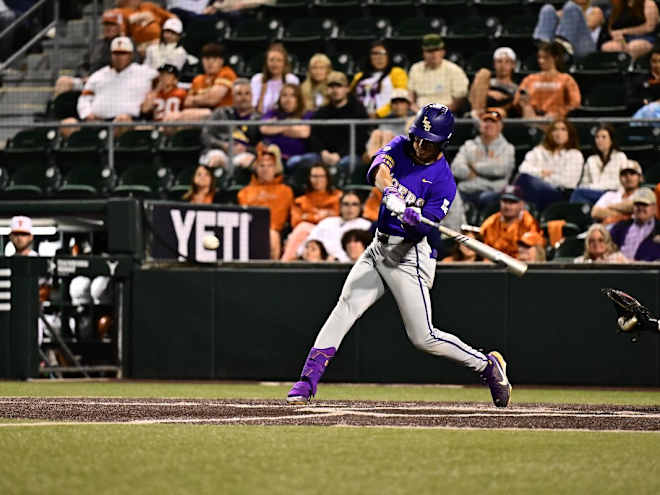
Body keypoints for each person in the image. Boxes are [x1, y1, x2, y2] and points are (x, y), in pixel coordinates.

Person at [286, 104, 512, 408]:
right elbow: (377, 169)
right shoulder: (402, 146)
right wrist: (391, 192)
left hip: (410, 256)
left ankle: (486, 365)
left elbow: (422, 229)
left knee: (424, 337)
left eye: (428, 142)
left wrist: (413, 217)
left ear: (442, 143)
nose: (420, 145)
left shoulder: (444, 180)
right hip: (378, 247)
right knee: (346, 306)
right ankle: (307, 381)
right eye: (418, 137)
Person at [288, 71, 370, 172]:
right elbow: (314, 137)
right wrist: (323, 152)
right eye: (331, 87)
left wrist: (339, 155)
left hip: (349, 155)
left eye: (339, 86)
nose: (335, 90)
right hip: (323, 156)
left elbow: (360, 138)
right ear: (327, 89)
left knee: (346, 163)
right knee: (294, 162)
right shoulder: (321, 112)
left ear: (347, 89)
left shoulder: (358, 110)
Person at [75, 37, 158, 124]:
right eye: (116, 53)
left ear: (131, 55)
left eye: (123, 53)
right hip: (99, 121)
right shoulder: (99, 75)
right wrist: (87, 113)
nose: (119, 57)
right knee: (68, 124)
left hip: (131, 121)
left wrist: (153, 94)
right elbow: (85, 97)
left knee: (122, 121)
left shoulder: (145, 72)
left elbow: (166, 81)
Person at [237, 143, 294, 259]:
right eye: (262, 166)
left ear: (275, 168)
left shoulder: (286, 191)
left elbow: (291, 217)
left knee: (272, 235)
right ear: (256, 168)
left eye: (270, 166)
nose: (266, 169)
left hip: (276, 232)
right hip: (250, 231)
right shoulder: (244, 192)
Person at [514, 118, 584, 212]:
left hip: (560, 194)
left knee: (526, 183)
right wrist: (541, 172)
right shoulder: (539, 151)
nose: (558, 133)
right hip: (536, 190)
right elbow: (523, 168)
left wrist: (543, 179)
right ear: (550, 133)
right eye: (555, 129)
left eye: (563, 129)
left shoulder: (575, 155)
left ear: (569, 134)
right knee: (523, 180)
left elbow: (569, 182)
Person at [54, 9, 127, 98]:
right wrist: (84, 77)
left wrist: (96, 78)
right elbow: (83, 65)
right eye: (105, 24)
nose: (108, 28)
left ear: (119, 27)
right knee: (63, 81)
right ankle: (54, 110)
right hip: (89, 81)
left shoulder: (125, 44)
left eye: (112, 24)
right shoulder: (98, 44)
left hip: (109, 83)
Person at [451, 108, 515, 207]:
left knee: (486, 198)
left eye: (493, 122)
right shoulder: (469, 145)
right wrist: (473, 172)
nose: (488, 125)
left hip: (493, 192)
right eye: (485, 121)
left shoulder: (507, 148)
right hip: (467, 190)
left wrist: (474, 167)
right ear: (480, 125)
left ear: (500, 126)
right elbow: (455, 168)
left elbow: (500, 169)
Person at [281, 164, 342, 261]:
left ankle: (285, 263)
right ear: (309, 178)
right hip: (307, 234)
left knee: (303, 228)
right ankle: (286, 262)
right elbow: (296, 221)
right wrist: (322, 215)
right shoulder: (300, 200)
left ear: (327, 178)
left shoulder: (338, 197)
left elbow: (338, 217)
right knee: (302, 228)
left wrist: (308, 216)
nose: (318, 180)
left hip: (331, 232)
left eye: (321, 176)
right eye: (314, 176)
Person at [166, 43, 237, 122]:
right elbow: (187, 102)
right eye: (207, 58)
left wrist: (195, 100)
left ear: (222, 61)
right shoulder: (198, 79)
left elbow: (213, 99)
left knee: (180, 117)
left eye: (214, 58)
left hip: (223, 116)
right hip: (201, 115)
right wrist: (205, 97)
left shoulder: (226, 73)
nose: (210, 62)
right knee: (171, 116)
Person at [200, 78, 262, 170]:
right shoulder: (221, 113)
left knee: (248, 161)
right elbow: (205, 136)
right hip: (219, 151)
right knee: (216, 159)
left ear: (252, 96)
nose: (243, 98)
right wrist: (224, 145)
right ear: (232, 96)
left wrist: (246, 149)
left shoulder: (259, 119)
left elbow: (262, 145)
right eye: (239, 94)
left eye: (247, 93)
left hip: (243, 154)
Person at [513, 42, 581, 120]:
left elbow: (575, 103)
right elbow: (517, 100)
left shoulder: (566, 79)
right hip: (531, 119)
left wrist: (560, 113)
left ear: (555, 58)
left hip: (556, 121)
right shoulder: (530, 79)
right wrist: (526, 107)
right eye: (539, 57)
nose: (541, 61)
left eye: (546, 58)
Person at [301, 191, 372, 262]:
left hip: (350, 265)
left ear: (360, 207)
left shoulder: (366, 225)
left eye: (354, 204)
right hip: (321, 263)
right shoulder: (327, 222)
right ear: (340, 206)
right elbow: (309, 242)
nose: (350, 208)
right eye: (346, 204)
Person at [407, 34, 469, 113]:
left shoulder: (454, 70)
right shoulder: (415, 69)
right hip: (419, 113)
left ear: (443, 52)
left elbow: (459, 101)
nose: (434, 54)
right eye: (429, 51)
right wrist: (419, 112)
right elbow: (411, 97)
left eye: (436, 50)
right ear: (423, 53)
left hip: (445, 113)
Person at [570, 124, 628, 205]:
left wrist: (594, 186)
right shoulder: (591, 160)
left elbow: (621, 182)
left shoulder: (620, 157)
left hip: (612, 194)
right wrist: (593, 187)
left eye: (603, 137)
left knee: (578, 193)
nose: (599, 140)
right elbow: (584, 183)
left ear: (611, 140)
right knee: (581, 197)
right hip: (594, 194)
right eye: (597, 137)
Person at [350, 40, 408, 118]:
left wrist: (378, 114)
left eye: (383, 53)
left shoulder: (397, 73)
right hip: (361, 120)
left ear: (388, 56)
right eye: (375, 54)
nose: (379, 58)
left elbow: (400, 98)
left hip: (387, 118)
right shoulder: (359, 77)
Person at [480, 184, 542, 258]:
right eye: (505, 201)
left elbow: (536, 252)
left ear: (522, 204)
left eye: (512, 202)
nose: (507, 206)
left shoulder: (529, 223)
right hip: (494, 264)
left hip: (519, 264)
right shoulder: (490, 222)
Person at [259, 84, 312, 164]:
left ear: (298, 99)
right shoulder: (272, 113)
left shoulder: (306, 114)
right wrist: (291, 124)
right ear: (280, 99)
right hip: (272, 158)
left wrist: (277, 125)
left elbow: (304, 133)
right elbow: (264, 129)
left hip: (297, 158)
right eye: (284, 95)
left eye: (292, 96)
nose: (288, 99)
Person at [533, 0, 605, 58]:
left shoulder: (595, 11)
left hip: (584, 47)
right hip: (558, 44)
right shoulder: (566, 11)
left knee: (571, 7)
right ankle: (542, 47)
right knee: (547, 9)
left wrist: (570, 16)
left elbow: (589, 25)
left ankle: (562, 48)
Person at [364, 89, 416, 163]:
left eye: (402, 102)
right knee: (377, 133)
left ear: (408, 104)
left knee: (388, 135)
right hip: (384, 156)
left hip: (406, 156)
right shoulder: (386, 120)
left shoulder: (414, 119)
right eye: (395, 102)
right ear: (391, 105)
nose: (398, 105)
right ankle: (378, 164)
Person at [610, 187, 660, 261]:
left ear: (654, 208)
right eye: (637, 204)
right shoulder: (620, 227)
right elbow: (608, 246)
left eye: (644, 204)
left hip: (649, 270)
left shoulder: (658, 229)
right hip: (620, 269)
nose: (640, 208)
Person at [468, 47, 519, 119]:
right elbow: (472, 95)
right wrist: (487, 92)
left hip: (499, 112)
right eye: (499, 61)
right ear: (494, 64)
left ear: (513, 65)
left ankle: (478, 117)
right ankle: (476, 114)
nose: (503, 65)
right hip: (480, 107)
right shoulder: (486, 81)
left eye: (507, 62)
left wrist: (504, 97)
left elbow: (514, 104)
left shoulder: (515, 87)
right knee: (483, 73)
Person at [251, 43, 300, 115]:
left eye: (279, 60)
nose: (275, 64)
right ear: (266, 62)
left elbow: (296, 107)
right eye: (271, 60)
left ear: (284, 63)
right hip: (262, 120)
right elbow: (254, 108)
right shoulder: (257, 79)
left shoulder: (292, 80)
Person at [591, 160, 643, 224]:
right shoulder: (610, 195)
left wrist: (609, 207)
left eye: (632, 173)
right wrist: (625, 215)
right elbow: (595, 212)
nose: (628, 177)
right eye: (624, 174)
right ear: (619, 178)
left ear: (640, 177)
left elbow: (632, 206)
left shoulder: (644, 194)